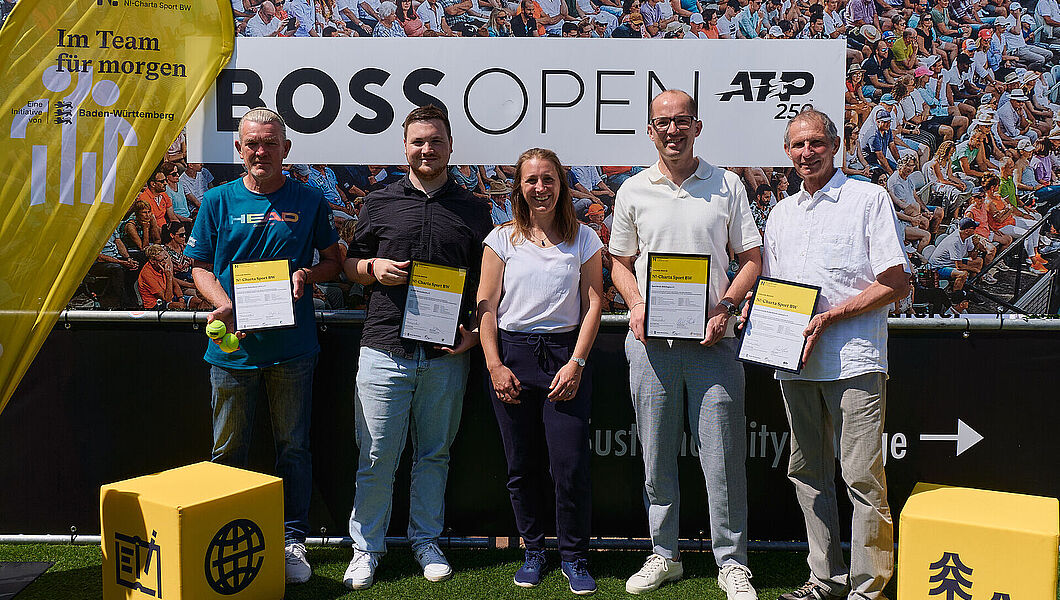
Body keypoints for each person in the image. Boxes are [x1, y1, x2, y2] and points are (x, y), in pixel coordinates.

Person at [609, 89, 762, 598]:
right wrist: (635, 303)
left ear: (697, 126)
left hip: (713, 342)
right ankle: (664, 554)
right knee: (655, 456)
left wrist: (727, 307)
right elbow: (619, 263)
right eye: (662, 122)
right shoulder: (633, 189)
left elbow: (752, 259)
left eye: (682, 121)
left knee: (722, 458)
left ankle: (732, 561)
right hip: (651, 345)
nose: (672, 130)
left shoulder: (727, 184)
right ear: (650, 130)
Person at [187, 107, 342, 585]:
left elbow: (334, 261)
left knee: (293, 448)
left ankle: (292, 539)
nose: (260, 151)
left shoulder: (309, 199)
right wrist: (223, 303)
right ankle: (220, 532)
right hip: (232, 351)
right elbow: (199, 267)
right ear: (239, 149)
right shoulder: (217, 200)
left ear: (285, 149)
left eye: (270, 143)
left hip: (293, 349)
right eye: (252, 143)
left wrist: (307, 275)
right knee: (228, 450)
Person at [341, 105, 493, 590]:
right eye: (418, 142)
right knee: (376, 456)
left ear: (451, 146)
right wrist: (372, 269)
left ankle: (426, 540)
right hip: (384, 347)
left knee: (434, 455)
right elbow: (350, 266)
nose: (427, 150)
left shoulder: (474, 209)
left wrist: (476, 332)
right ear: (404, 147)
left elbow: (488, 282)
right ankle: (366, 548)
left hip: (445, 355)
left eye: (435, 141)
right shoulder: (378, 202)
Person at [760, 110, 910, 600]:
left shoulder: (869, 199)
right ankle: (825, 578)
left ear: (836, 144)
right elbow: (776, 291)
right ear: (787, 152)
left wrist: (831, 316)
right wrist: (759, 320)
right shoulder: (781, 214)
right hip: (796, 364)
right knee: (808, 474)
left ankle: (868, 588)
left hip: (854, 360)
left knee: (862, 477)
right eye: (798, 145)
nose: (807, 153)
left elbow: (896, 283)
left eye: (816, 143)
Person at [478, 148, 604, 594]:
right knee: (521, 466)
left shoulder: (584, 238)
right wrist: (494, 365)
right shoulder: (501, 239)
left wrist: (577, 363)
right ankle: (533, 550)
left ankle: (574, 556)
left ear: (561, 185)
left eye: (548, 179)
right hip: (512, 357)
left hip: (566, 357)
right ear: (519, 187)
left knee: (569, 467)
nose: (540, 188)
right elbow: (486, 306)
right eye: (531, 180)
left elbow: (594, 302)